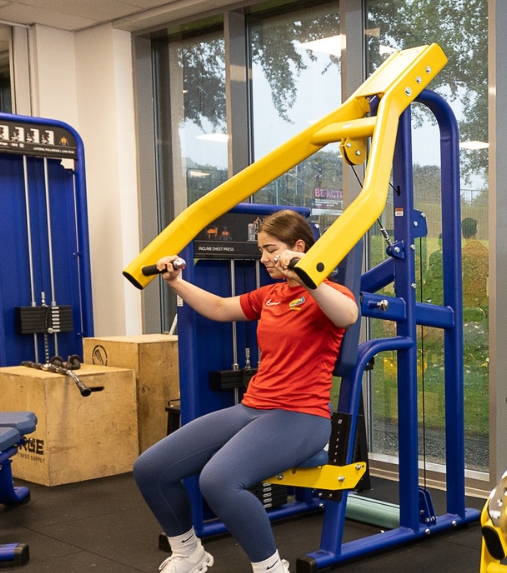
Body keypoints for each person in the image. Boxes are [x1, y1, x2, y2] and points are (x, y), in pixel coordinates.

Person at [134, 209, 358, 573]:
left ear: (297, 247)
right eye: (262, 251)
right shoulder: (271, 294)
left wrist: (309, 275)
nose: (264, 258)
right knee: (151, 468)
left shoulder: (329, 292)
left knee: (219, 480)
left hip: (302, 415)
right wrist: (175, 281)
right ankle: (188, 553)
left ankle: (270, 568)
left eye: (271, 250)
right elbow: (221, 308)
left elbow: (347, 315)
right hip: (253, 407)